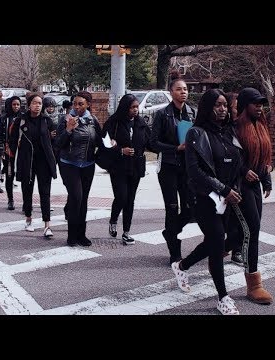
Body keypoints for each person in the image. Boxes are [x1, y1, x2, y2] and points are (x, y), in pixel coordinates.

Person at [171, 89, 243, 315]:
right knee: (216, 243)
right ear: (207, 107)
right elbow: (195, 171)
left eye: (224, 105)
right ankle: (223, 297)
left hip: (229, 197)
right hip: (205, 198)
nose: (222, 109)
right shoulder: (196, 133)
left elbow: (238, 163)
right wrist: (223, 189)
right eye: (217, 105)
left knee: (227, 239)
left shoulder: (230, 131)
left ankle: (182, 265)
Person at [230, 87, 274, 305]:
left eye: (261, 103)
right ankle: (254, 284)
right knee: (252, 230)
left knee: (242, 233)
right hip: (238, 188)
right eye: (255, 103)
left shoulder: (261, 126)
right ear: (245, 105)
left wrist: (267, 180)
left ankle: (209, 252)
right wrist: (242, 170)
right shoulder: (235, 128)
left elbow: (263, 159)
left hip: (255, 186)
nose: (259, 107)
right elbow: (227, 158)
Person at [150, 71, 196, 265]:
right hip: (168, 166)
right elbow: (152, 143)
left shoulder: (193, 112)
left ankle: (169, 232)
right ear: (171, 92)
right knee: (172, 207)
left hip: (188, 167)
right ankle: (174, 252)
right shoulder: (162, 114)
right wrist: (175, 148)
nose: (183, 92)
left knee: (190, 208)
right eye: (179, 89)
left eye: (185, 89)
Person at [103, 94, 152, 245]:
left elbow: (149, 143)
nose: (135, 110)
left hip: (135, 167)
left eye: (137, 107)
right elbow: (104, 142)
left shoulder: (140, 123)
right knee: (122, 197)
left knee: (130, 200)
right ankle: (113, 219)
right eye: (132, 107)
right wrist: (119, 150)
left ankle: (126, 232)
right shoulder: (114, 122)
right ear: (125, 107)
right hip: (118, 167)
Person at [55, 91, 102, 246]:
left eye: (80, 104)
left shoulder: (93, 120)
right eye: (75, 104)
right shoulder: (65, 119)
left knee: (83, 200)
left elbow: (99, 140)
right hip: (69, 164)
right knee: (76, 198)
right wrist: (68, 129)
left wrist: (112, 143)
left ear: (88, 104)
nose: (76, 107)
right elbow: (58, 143)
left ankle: (82, 235)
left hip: (88, 164)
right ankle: (72, 236)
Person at [8, 93, 57, 238]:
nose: (38, 105)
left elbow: (55, 141)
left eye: (40, 103)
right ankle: (28, 218)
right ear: (29, 104)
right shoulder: (20, 121)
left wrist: (53, 155)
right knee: (27, 191)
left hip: (44, 161)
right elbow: (12, 140)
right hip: (26, 160)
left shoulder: (47, 121)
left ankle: (47, 225)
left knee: (45, 193)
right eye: (35, 103)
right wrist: (11, 157)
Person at [223, 92, 244, 265]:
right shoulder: (226, 129)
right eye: (237, 107)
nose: (240, 110)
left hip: (244, 181)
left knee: (240, 219)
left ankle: (235, 249)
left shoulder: (247, 125)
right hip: (229, 180)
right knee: (229, 218)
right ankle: (226, 246)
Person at [0, 96, 23, 210]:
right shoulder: (4, 118)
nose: (16, 106)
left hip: (22, 151)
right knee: (9, 175)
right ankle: (10, 200)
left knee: (25, 177)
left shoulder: (24, 117)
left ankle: (26, 202)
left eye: (18, 104)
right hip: (8, 151)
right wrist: (1, 149)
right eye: (14, 104)